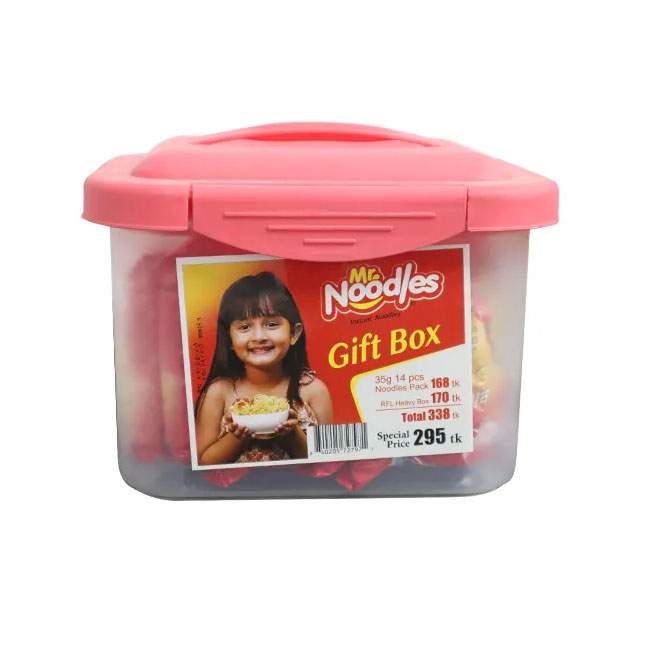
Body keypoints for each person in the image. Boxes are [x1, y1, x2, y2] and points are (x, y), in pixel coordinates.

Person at [195, 271, 333, 464]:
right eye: (245, 327)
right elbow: (204, 462)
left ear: (294, 334)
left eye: (272, 324)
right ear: (229, 340)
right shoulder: (219, 392)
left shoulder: (313, 390)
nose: (259, 336)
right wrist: (237, 437)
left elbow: (328, 461)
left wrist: (292, 435)